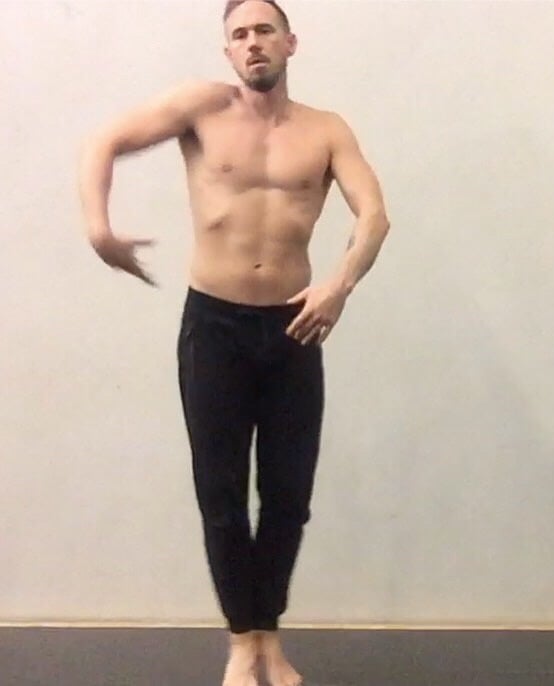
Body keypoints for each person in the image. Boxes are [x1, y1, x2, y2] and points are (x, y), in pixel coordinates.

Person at [77, 1, 390, 685]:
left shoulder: (326, 130)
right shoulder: (201, 108)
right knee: (220, 493)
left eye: (264, 31)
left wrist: (339, 284)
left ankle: (269, 636)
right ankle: (242, 642)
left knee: (287, 496)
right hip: (214, 327)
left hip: (293, 327)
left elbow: (374, 214)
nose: (253, 43)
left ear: (290, 43)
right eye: (240, 35)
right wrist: (99, 229)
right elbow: (104, 141)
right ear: (228, 52)